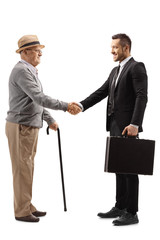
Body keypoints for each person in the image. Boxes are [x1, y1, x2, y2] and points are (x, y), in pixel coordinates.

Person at [73, 33, 148, 226]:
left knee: (130, 169)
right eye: (112, 47)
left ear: (126, 48)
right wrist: (81, 106)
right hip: (114, 125)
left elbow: (141, 97)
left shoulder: (136, 67)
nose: (111, 50)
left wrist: (135, 124)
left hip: (128, 126)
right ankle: (120, 206)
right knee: (118, 166)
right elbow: (101, 92)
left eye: (115, 47)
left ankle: (132, 212)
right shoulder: (115, 71)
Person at [5, 35, 81, 222]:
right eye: (36, 49)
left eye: (40, 49)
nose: (40, 52)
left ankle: (26, 205)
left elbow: (34, 101)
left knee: (27, 168)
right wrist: (65, 105)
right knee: (22, 169)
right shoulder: (22, 71)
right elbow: (39, 98)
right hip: (21, 126)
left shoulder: (29, 71)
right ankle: (21, 211)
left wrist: (49, 119)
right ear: (24, 52)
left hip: (28, 125)